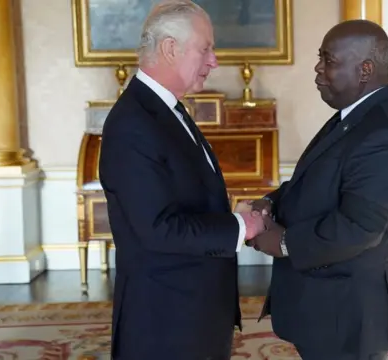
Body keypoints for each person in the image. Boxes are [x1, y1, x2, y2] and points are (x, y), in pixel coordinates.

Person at [244, 19, 388, 360]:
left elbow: (358, 227)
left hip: (350, 314)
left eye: (329, 60)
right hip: (328, 307)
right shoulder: (355, 118)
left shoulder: (385, 136)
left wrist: (283, 242)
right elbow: (314, 184)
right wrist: (270, 202)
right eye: (320, 57)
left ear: (365, 69)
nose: (318, 68)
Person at [98, 1, 265, 359]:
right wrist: (240, 227)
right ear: (170, 48)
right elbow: (158, 228)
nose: (214, 61)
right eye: (206, 48)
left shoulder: (166, 110)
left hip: (191, 317)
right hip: (165, 326)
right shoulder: (133, 123)